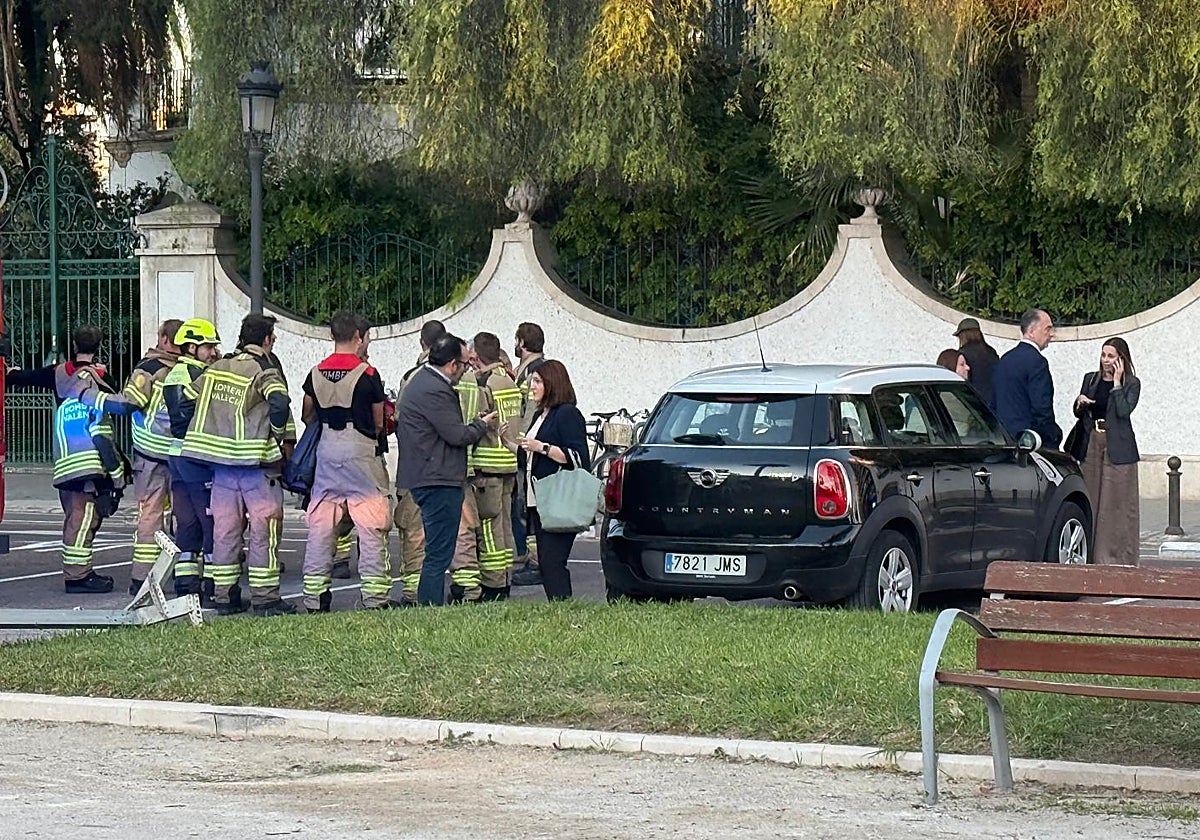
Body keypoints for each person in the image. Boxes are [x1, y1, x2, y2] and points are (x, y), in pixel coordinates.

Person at [177, 314, 296, 617]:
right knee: (263, 529)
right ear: (267, 339)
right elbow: (280, 402)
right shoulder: (264, 369)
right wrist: (278, 435)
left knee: (225, 531)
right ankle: (265, 598)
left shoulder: (217, 367)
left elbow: (184, 398)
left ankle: (224, 596)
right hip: (255, 466)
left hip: (220, 468)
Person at [7, 325, 130, 593]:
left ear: (73, 345)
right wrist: (118, 474)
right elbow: (102, 432)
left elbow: (23, 378)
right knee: (83, 519)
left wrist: (8, 370)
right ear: (99, 346)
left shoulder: (58, 374)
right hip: (88, 464)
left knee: (75, 518)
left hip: (65, 460)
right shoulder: (101, 380)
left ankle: (79, 572)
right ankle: (78, 577)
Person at [300, 311, 394, 612]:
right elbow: (380, 421)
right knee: (370, 524)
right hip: (360, 449)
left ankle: (314, 597)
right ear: (357, 337)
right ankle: (375, 597)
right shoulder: (367, 374)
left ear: (332, 335)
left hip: (326, 449)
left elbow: (306, 415)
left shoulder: (315, 372)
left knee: (321, 526)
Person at [396, 333, 495, 606]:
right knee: (439, 552)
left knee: (437, 549)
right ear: (452, 364)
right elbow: (456, 435)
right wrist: (482, 424)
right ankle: (430, 608)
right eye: (464, 364)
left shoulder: (420, 381)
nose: (466, 370)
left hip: (427, 474)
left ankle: (430, 605)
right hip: (438, 477)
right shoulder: (436, 389)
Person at [450, 332, 523, 602]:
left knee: (489, 529)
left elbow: (474, 421)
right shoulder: (509, 381)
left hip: (487, 466)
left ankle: (493, 585)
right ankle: (504, 577)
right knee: (503, 526)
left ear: (476, 356)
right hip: (509, 465)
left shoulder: (482, 383)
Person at [517, 360, 589, 601]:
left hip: (558, 499)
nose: (532, 387)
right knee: (546, 561)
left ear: (552, 383)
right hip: (538, 499)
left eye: (537, 381)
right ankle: (557, 606)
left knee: (552, 561)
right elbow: (529, 454)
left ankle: (563, 606)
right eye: (531, 382)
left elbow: (577, 457)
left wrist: (542, 447)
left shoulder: (567, 414)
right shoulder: (540, 414)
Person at [162, 318, 223, 602]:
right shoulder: (201, 376)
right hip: (197, 456)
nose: (212, 352)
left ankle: (185, 583)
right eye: (208, 347)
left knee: (187, 522)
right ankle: (212, 585)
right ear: (190, 347)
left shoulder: (175, 372)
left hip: (176, 454)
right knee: (211, 520)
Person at [120, 319, 182, 594]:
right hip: (181, 454)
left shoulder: (148, 369)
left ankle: (142, 578)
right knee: (183, 514)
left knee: (151, 514)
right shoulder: (188, 370)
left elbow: (130, 402)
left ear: (164, 338)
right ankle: (184, 573)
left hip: (150, 453)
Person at [1069, 338, 1141, 564]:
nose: (1106, 360)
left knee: (1115, 504)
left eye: (1111, 356)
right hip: (1092, 442)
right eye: (1104, 355)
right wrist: (1080, 402)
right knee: (1091, 498)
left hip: (1118, 446)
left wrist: (1117, 383)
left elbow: (1123, 411)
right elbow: (1078, 414)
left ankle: (1117, 557)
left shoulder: (1132, 383)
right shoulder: (1091, 379)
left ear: (1121, 359)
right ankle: (1088, 555)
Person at [391, 319, 446, 605]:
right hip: (453, 470)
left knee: (414, 530)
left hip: (417, 468)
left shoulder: (413, 377)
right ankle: (462, 588)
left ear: (422, 343)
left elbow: (401, 421)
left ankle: (414, 592)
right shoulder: (463, 376)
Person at [991, 308, 1062, 447]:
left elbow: (994, 402)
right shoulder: (1037, 362)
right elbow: (1041, 407)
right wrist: (1052, 436)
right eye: (1047, 329)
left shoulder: (1005, 360)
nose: (1051, 335)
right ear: (1031, 331)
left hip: (1004, 439)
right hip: (1029, 442)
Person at [511, 322, 546, 587]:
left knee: (527, 507)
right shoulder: (528, 370)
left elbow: (530, 411)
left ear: (521, 342)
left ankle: (535, 563)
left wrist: (521, 443)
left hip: (528, 447)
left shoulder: (533, 372)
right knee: (523, 506)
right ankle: (530, 558)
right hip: (526, 446)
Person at [954, 317, 999, 405]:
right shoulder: (991, 351)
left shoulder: (963, 354)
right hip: (995, 402)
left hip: (976, 402)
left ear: (963, 335)